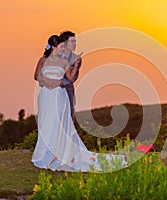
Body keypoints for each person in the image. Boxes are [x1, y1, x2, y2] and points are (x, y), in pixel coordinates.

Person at [32, 35, 126, 172]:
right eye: (61, 46)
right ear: (53, 47)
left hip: (58, 95)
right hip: (45, 96)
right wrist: (47, 81)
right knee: (45, 122)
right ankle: (44, 152)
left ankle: (58, 152)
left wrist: (75, 64)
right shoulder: (43, 60)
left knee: (57, 123)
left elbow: (70, 78)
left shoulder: (64, 62)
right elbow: (36, 76)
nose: (63, 49)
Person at [35, 31, 81, 121]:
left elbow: (72, 78)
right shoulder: (45, 59)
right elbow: (37, 75)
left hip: (65, 91)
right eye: (72, 41)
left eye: (74, 41)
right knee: (48, 117)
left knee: (67, 117)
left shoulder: (72, 59)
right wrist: (51, 82)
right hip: (47, 91)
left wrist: (61, 83)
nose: (74, 44)